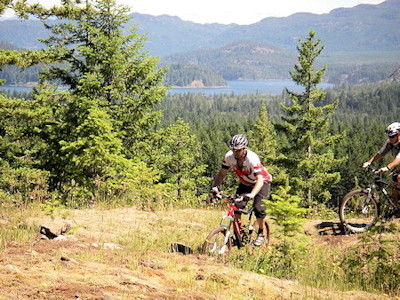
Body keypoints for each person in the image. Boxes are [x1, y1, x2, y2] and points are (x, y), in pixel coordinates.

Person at [210, 134, 272, 247]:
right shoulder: (229, 157)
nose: (235, 152)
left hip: (262, 182)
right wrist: (215, 187)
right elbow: (222, 173)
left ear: (244, 149)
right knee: (236, 206)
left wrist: (252, 194)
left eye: (238, 150)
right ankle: (238, 235)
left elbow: (259, 180)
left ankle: (261, 232)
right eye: (233, 149)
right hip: (245, 183)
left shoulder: (252, 159)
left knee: (258, 208)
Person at [363, 122, 400, 211]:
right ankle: (395, 210)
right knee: (393, 185)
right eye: (389, 136)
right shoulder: (390, 143)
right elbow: (380, 154)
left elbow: (398, 159)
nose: (390, 138)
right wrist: (369, 162)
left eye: (392, 136)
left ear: (399, 134)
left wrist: (387, 168)